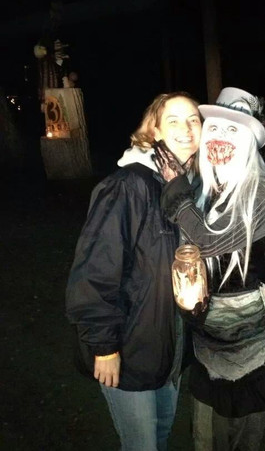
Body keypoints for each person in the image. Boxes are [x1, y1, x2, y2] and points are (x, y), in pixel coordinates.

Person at [154, 87, 265, 451]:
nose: (221, 136)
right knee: (212, 435)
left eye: (234, 129)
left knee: (252, 435)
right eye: (215, 127)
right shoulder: (203, 189)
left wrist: (175, 192)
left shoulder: (264, 192)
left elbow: (210, 243)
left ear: (248, 141)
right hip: (209, 347)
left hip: (254, 351)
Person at [65, 91, 202, 451]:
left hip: (169, 350)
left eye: (194, 120)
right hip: (128, 351)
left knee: (160, 438)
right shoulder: (129, 186)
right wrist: (104, 348)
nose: (187, 129)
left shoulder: (186, 188)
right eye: (174, 121)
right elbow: (94, 274)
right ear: (154, 131)